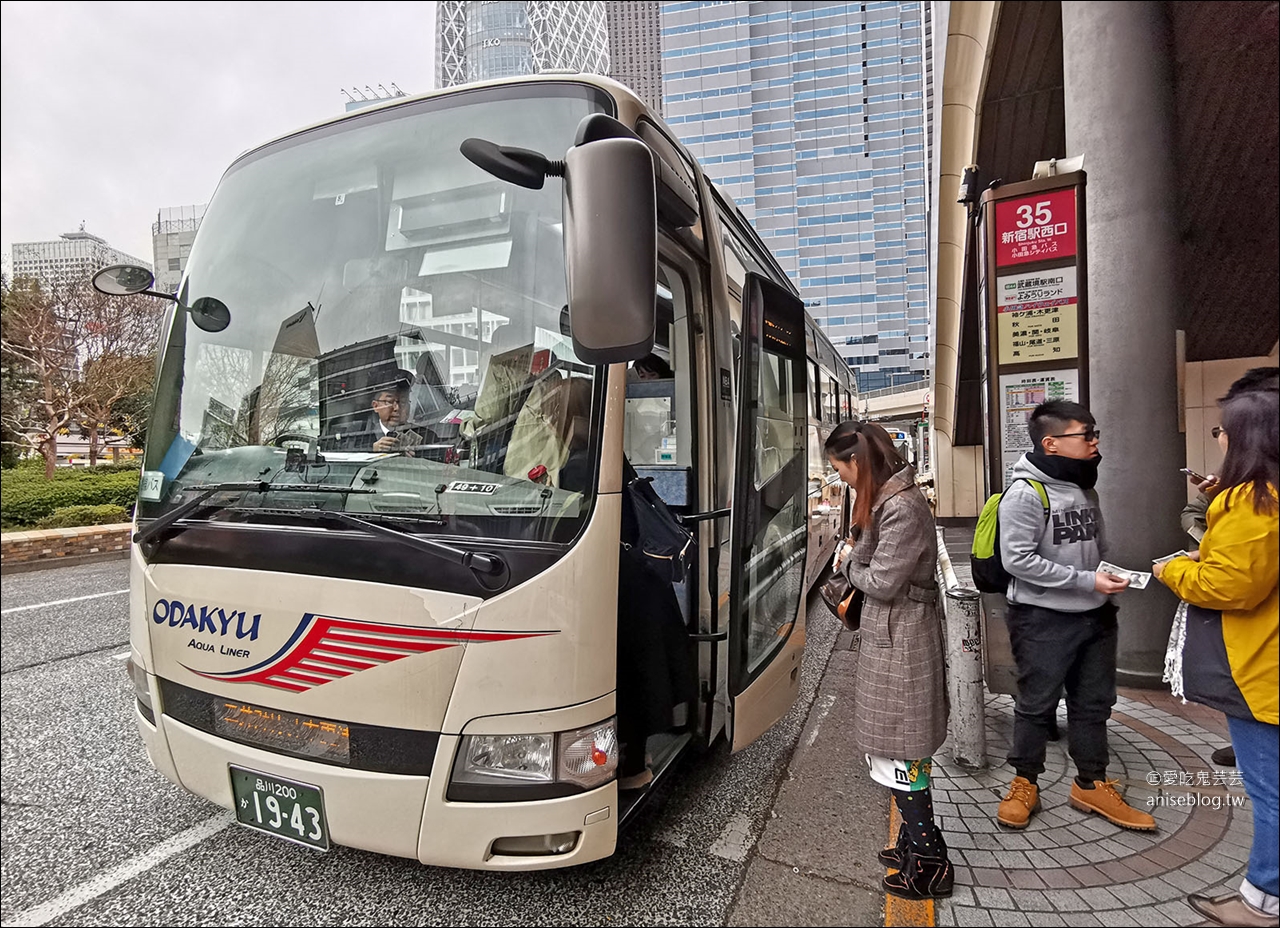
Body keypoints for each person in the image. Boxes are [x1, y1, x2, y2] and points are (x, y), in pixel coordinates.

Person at [994, 401, 1156, 832]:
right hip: (1042, 619)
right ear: (1052, 443)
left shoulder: (1085, 487)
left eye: (1094, 433)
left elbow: (1096, 548)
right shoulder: (1026, 493)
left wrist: (1105, 578)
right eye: (1085, 435)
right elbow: (1018, 562)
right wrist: (1087, 582)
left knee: (1094, 705)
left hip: (1097, 617)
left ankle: (1091, 783)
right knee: (1035, 706)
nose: (1094, 442)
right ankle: (1024, 783)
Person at [1155, 378, 1278, 928]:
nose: (1220, 440)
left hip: (1264, 670)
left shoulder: (1257, 503)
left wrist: (1172, 568)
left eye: (1223, 431)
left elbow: (1230, 585)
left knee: (1268, 790)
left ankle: (1263, 902)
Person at [826, 420, 951, 900]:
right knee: (896, 748)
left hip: (903, 641)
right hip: (894, 637)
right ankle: (912, 843)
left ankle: (930, 863)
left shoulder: (901, 506)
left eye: (840, 469)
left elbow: (881, 581)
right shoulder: (891, 500)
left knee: (902, 751)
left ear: (857, 461)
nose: (839, 478)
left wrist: (849, 561)